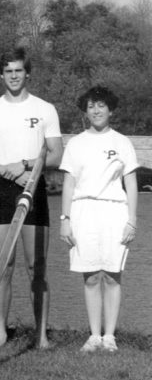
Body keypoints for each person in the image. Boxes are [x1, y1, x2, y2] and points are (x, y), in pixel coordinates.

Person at [0, 48, 63, 349]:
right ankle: (0, 332)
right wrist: (9, 172)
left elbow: (56, 154)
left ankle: (41, 335)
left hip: (33, 186)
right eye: (8, 71)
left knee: (36, 265)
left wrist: (25, 166)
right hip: (3, 189)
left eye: (18, 71)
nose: (13, 76)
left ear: (27, 74)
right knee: (2, 263)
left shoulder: (45, 109)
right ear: (1, 75)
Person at [58, 86, 137, 352]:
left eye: (101, 105)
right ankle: (94, 335)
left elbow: (131, 182)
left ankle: (110, 336)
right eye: (91, 106)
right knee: (91, 275)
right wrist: (65, 218)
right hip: (83, 212)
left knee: (113, 275)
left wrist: (132, 219)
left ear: (110, 109)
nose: (96, 110)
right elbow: (69, 183)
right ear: (85, 110)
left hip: (115, 211)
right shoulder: (76, 144)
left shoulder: (122, 142)